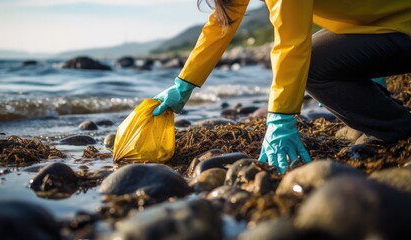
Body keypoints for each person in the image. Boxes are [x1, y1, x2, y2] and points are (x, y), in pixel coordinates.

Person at [152, 0, 411, 174]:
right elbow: (223, 23)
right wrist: (184, 84)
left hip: (401, 24)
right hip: (381, 25)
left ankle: (398, 129)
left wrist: (279, 119)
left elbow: (290, 43)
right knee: (316, 57)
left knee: (311, 64)